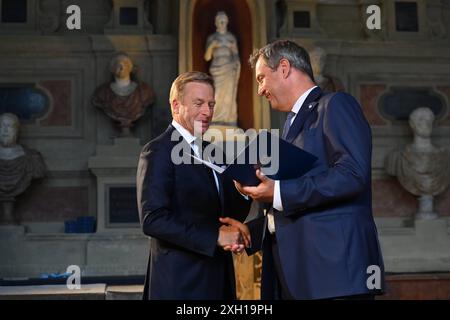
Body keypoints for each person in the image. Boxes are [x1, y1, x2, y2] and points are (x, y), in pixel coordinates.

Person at [233, 40, 384, 299]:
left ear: (284, 68)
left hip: (334, 275)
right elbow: (299, 197)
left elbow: (353, 174)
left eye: (261, 78)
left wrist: (278, 191)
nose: (259, 90)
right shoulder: (292, 124)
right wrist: (255, 222)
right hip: (296, 274)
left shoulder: (335, 104)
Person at [136, 71, 251, 300]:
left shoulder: (215, 152)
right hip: (180, 284)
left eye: (211, 104)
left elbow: (229, 213)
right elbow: (152, 220)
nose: (207, 112)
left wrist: (244, 190)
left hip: (219, 280)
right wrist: (215, 237)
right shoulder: (158, 151)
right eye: (198, 103)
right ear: (176, 106)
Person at [385, 107, 450, 219]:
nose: (426, 123)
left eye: (429, 119)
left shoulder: (444, 157)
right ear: (412, 125)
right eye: (421, 119)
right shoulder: (398, 157)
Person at [92, 53, 154, 135]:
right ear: (112, 69)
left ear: (130, 68)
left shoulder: (143, 91)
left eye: (125, 64)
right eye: (118, 65)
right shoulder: (103, 93)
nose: (121, 68)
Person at [0, 113, 46, 224]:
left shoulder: (32, 158)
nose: (5, 130)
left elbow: (38, 172)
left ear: (17, 131)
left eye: (9, 126)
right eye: (2, 126)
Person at [204, 11, 241, 126]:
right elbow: (207, 57)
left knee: (229, 96)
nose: (222, 23)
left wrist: (236, 64)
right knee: (217, 94)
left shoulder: (231, 37)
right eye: (220, 20)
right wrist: (212, 46)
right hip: (217, 69)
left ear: (227, 22)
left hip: (229, 69)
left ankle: (228, 120)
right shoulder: (212, 38)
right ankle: (215, 119)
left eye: (224, 20)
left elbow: (236, 56)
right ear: (216, 23)